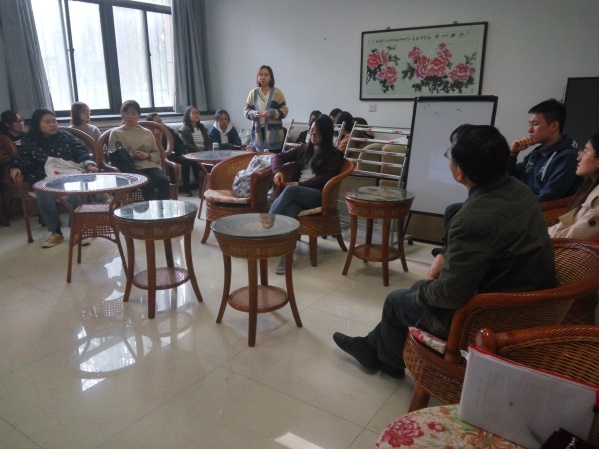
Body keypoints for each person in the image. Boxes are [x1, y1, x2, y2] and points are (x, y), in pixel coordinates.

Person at [333, 124, 555, 379]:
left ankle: (388, 363)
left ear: (460, 172)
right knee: (417, 289)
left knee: (396, 300)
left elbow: (451, 295)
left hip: (488, 317)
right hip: (528, 303)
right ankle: (371, 347)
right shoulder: (519, 189)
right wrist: (442, 257)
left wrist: (428, 285)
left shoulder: (473, 220)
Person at [9, 109, 98, 247]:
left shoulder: (65, 136)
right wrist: (16, 167)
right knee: (42, 193)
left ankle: (77, 229)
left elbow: (80, 151)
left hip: (69, 173)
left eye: (54, 121)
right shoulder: (29, 140)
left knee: (78, 191)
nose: (53, 124)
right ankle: (55, 232)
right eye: (47, 122)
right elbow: (24, 158)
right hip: (44, 176)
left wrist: (89, 164)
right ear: (37, 124)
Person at [269, 114, 343, 274]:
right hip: (298, 194)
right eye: (311, 131)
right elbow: (277, 157)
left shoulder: (334, 155)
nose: (312, 135)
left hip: (318, 195)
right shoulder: (303, 148)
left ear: (326, 135)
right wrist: (277, 172)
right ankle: (286, 256)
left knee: (290, 190)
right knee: (290, 210)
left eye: (317, 133)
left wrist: (300, 185)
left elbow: (326, 178)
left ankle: (267, 226)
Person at [508, 98, 580, 202]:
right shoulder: (536, 153)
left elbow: (549, 197)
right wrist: (512, 153)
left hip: (533, 209)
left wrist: (515, 205)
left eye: (535, 124)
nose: (529, 130)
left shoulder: (568, 157)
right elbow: (509, 179)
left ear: (554, 126)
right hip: (517, 203)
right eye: (530, 124)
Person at [108, 100, 170, 201]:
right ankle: (150, 210)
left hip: (150, 166)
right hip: (130, 168)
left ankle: (163, 208)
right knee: (147, 183)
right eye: (126, 113)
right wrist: (133, 155)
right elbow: (113, 156)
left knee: (163, 181)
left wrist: (147, 155)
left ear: (139, 115)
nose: (130, 117)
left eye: (133, 114)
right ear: (122, 115)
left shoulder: (147, 132)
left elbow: (157, 154)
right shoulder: (116, 133)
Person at [548, 133, 599, 239]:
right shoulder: (591, 187)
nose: (579, 157)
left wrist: (538, 239)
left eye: (585, 151)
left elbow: (574, 236)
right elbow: (564, 227)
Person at [146, 112, 201, 197]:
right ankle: (186, 189)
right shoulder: (149, 134)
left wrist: (183, 152)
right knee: (185, 160)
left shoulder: (168, 130)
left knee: (190, 159)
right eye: (156, 122)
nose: (160, 123)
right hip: (164, 155)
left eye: (160, 120)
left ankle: (197, 185)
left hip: (175, 153)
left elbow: (179, 142)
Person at [244, 65, 288, 153]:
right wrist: (254, 114)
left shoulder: (277, 93)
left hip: (274, 134)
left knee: (273, 158)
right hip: (258, 132)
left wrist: (272, 113)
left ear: (270, 78)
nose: (263, 77)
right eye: (261, 75)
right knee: (260, 159)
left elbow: (284, 111)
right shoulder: (253, 93)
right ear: (258, 77)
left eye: (266, 75)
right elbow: (246, 111)